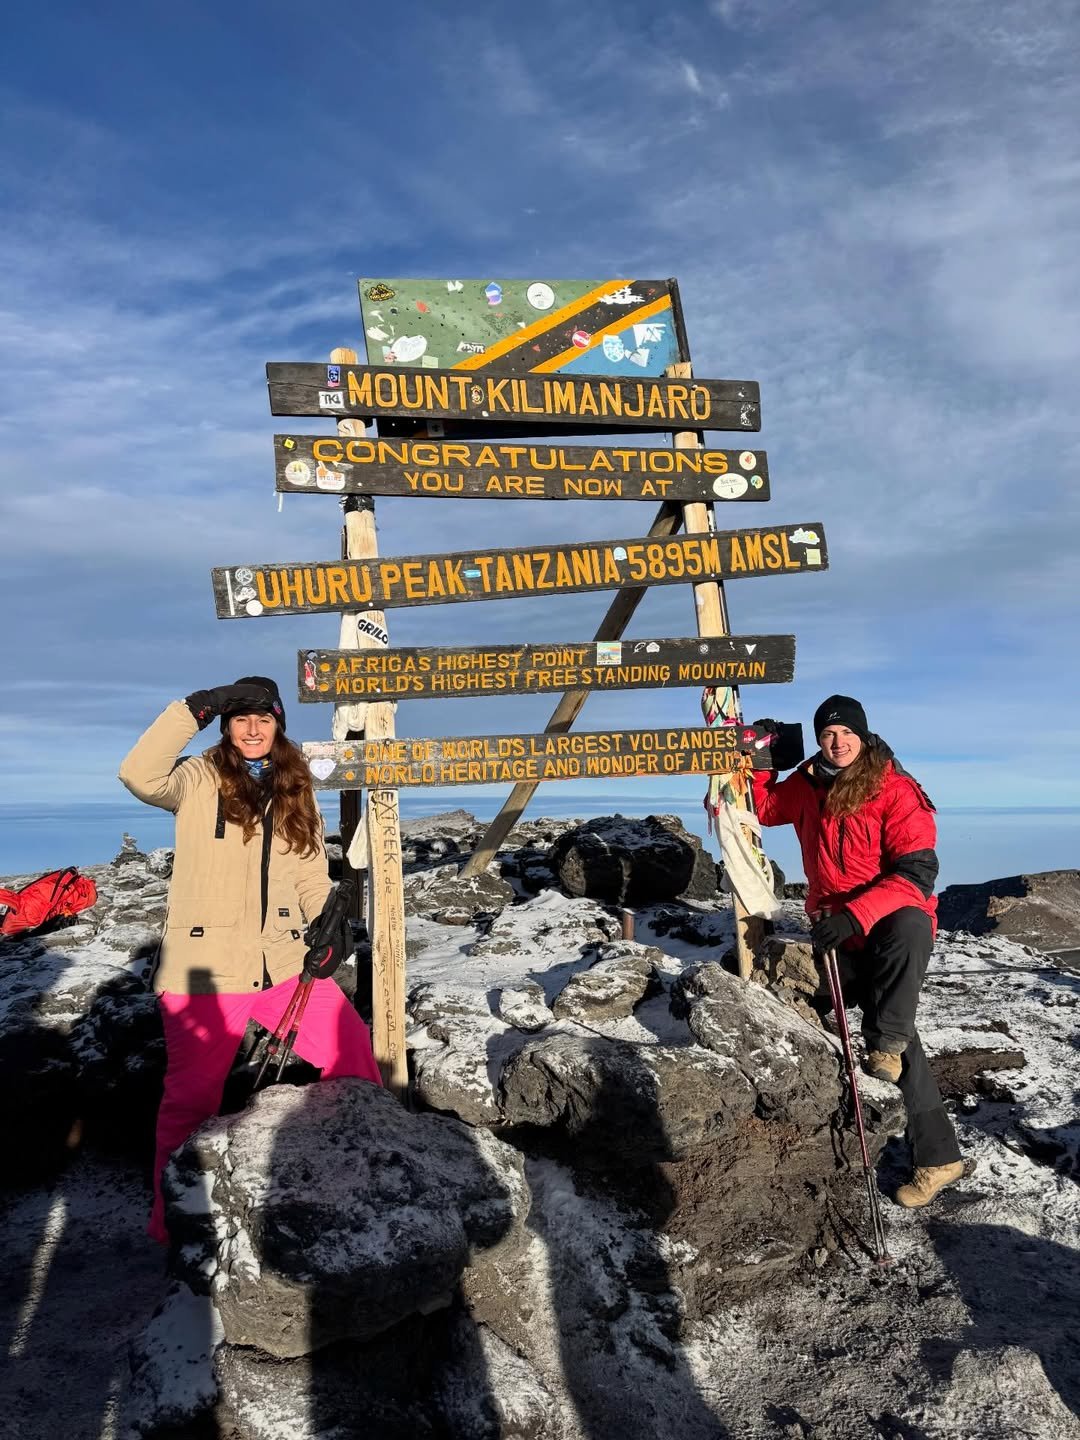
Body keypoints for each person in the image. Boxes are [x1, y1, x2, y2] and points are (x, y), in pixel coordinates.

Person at [119, 677, 382, 1244]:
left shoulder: (296, 785)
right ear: (226, 725)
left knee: (354, 1055)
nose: (254, 728)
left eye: (263, 718)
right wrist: (192, 706)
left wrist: (325, 919)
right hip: (204, 968)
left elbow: (310, 868)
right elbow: (138, 774)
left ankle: (357, 1176)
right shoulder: (195, 778)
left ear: (279, 723)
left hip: (286, 963)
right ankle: (172, 1222)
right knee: (192, 1099)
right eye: (240, 718)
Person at [750, 695, 964, 1208]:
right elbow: (761, 808)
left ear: (864, 737)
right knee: (891, 1027)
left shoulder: (894, 787)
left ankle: (886, 1047)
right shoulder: (804, 785)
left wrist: (856, 913)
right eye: (828, 733)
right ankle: (939, 1157)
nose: (838, 741)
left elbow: (917, 876)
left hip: (889, 926)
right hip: (836, 931)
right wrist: (756, 759)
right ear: (819, 739)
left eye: (847, 732)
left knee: (910, 930)